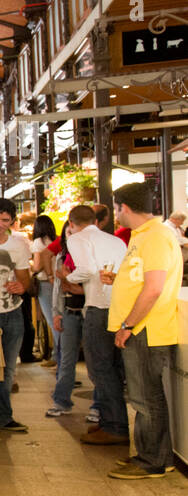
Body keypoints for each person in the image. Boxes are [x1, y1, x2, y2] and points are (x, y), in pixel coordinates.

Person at [104, 182, 183, 479]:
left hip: (147, 330)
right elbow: (143, 280)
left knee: (145, 398)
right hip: (141, 329)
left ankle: (153, 461)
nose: (115, 214)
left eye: (115, 208)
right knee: (143, 396)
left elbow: (153, 289)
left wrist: (128, 325)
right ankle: (153, 455)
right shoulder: (143, 236)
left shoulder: (156, 236)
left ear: (123, 207)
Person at [62, 204, 131, 447]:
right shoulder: (116, 241)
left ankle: (115, 426)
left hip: (99, 307)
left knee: (100, 368)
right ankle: (108, 420)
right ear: (96, 221)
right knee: (114, 367)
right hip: (120, 307)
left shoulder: (78, 238)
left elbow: (87, 269)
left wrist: (66, 277)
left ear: (71, 223)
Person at [0, 198, 33, 434]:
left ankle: (3, 415)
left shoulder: (18, 246)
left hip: (13, 312)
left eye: (4, 220)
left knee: (8, 368)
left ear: (12, 221)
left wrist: (22, 286)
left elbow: (25, 278)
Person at [46, 224, 90, 419]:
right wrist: (56, 312)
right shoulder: (62, 257)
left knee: (97, 362)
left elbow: (95, 286)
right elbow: (59, 288)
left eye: (75, 232)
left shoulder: (91, 254)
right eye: (69, 232)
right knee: (66, 359)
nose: (72, 236)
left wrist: (73, 284)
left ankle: (98, 406)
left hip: (92, 313)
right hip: (69, 312)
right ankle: (61, 401)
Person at [31, 215, 58, 365]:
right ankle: (57, 354)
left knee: (52, 319)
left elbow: (37, 266)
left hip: (45, 282)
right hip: (57, 282)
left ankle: (56, 356)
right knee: (58, 318)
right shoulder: (54, 240)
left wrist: (30, 269)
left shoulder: (38, 242)